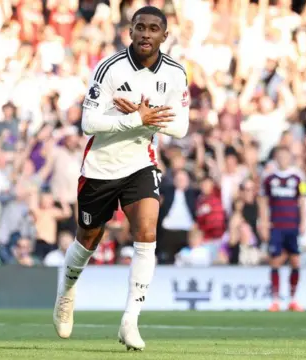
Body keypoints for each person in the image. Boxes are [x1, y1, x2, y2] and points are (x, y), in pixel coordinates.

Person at [52, 6, 189, 351]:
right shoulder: (109, 68)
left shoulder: (174, 73)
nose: (146, 34)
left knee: (146, 234)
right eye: (140, 27)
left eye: (153, 28)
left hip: (140, 164)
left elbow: (182, 126)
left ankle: (130, 320)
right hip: (100, 167)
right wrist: (135, 120)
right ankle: (66, 292)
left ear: (164, 35)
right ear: (129, 31)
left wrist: (147, 119)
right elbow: (88, 123)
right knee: (87, 242)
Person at [259, 146, 306, 312]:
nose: (282, 159)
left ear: (290, 158)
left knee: (295, 261)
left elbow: (302, 200)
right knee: (275, 261)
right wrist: (264, 223)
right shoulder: (268, 177)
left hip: (292, 225)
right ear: (276, 158)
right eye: (279, 156)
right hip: (276, 225)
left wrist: (303, 221)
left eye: (285, 156)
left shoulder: (298, 176)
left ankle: (293, 299)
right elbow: (264, 202)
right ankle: (275, 300)